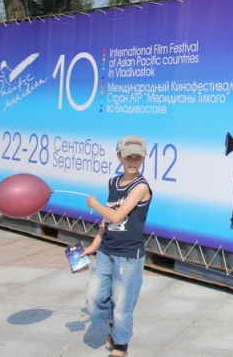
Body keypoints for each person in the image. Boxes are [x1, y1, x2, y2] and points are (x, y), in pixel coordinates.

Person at [82, 135, 152, 357]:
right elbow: (107, 219)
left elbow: (117, 215)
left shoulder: (140, 187)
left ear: (144, 158)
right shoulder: (113, 182)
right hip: (106, 251)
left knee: (122, 303)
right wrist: (94, 244)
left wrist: (94, 204)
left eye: (138, 158)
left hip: (128, 255)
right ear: (119, 156)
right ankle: (115, 325)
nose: (133, 162)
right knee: (94, 297)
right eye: (129, 157)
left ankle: (120, 343)